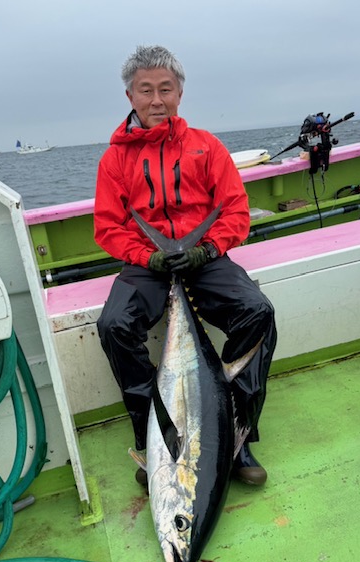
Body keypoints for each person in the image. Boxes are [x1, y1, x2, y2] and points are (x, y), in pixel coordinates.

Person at [94, 45, 277, 487]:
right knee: (114, 325)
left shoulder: (206, 146)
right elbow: (108, 228)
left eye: (166, 89)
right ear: (130, 96)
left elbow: (235, 212)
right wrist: (149, 256)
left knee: (257, 312)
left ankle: (237, 434)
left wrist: (206, 250)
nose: (157, 100)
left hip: (204, 257)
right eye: (146, 90)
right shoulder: (114, 159)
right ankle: (155, 435)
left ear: (180, 93)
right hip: (147, 263)